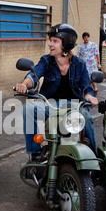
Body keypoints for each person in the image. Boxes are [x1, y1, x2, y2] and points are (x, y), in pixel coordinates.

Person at [15, 24, 98, 159]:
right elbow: (34, 75)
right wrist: (24, 84)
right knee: (28, 108)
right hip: (49, 105)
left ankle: (92, 157)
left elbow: (87, 87)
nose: (50, 44)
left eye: (55, 41)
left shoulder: (79, 64)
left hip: (73, 107)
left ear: (66, 44)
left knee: (86, 117)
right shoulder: (46, 61)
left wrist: (89, 96)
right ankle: (35, 153)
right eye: (50, 40)